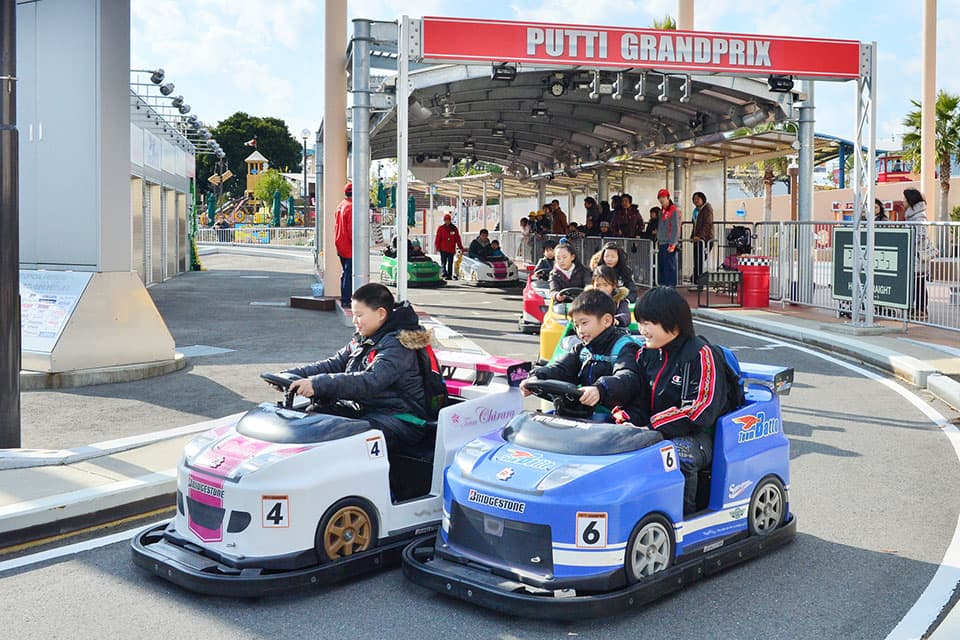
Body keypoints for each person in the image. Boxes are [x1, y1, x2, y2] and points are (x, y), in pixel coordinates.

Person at [284, 283, 432, 449]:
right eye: (353, 315)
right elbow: (335, 363)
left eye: (359, 315)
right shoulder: (365, 338)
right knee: (311, 416)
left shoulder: (399, 345)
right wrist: (292, 375)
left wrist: (317, 384)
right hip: (365, 409)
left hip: (399, 419)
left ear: (381, 314)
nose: (354, 320)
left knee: (339, 434)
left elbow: (371, 380)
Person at [629, 286, 733, 514]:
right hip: (649, 431)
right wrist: (626, 419)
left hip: (699, 436)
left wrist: (652, 426)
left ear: (673, 323)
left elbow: (700, 411)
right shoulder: (644, 354)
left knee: (678, 455)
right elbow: (634, 396)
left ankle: (683, 517)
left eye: (649, 323)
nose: (642, 330)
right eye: (640, 322)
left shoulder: (702, 355)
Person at [520, 289, 640, 412]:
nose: (580, 330)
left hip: (617, 417)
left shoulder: (624, 347)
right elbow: (560, 369)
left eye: (584, 323)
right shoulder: (582, 349)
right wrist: (536, 377)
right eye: (576, 325)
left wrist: (600, 389)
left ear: (607, 320)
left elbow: (627, 377)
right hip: (587, 413)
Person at [904, 188, 935, 320]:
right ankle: (913, 308)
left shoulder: (919, 216)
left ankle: (922, 309)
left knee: (919, 283)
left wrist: (909, 242)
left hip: (918, 256)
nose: (903, 201)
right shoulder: (912, 215)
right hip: (913, 255)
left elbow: (922, 234)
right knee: (914, 282)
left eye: (905, 199)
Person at [690, 192, 715, 290]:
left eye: (698, 199)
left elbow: (707, 224)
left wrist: (700, 236)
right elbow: (695, 226)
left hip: (705, 239)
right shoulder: (696, 211)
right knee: (696, 260)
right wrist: (693, 236)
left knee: (700, 260)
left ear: (703, 199)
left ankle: (699, 283)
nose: (696, 201)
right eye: (694, 199)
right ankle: (696, 281)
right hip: (698, 239)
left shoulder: (707, 209)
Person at [334, 182, 354, 306]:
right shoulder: (351, 207)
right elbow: (352, 230)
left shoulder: (340, 206)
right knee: (349, 273)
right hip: (349, 246)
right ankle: (346, 299)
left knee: (345, 272)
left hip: (340, 244)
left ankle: (345, 298)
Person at [657, 189, 680, 286]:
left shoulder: (673, 210)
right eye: (659, 198)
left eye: (663, 197)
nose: (661, 200)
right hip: (662, 242)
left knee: (669, 267)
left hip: (669, 243)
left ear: (668, 198)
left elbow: (675, 227)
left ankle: (670, 288)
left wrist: (673, 244)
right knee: (662, 266)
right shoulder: (662, 211)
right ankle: (663, 287)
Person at [434, 213, 464, 279]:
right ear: (444, 221)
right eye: (445, 220)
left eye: (448, 220)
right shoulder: (441, 228)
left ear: (450, 220)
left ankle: (449, 274)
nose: (447, 221)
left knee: (450, 262)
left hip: (451, 249)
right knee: (443, 262)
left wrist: (460, 246)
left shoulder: (454, 228)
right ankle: (444, 273)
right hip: (443, 248)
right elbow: (438, 238)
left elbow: (457, 238)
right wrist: (437, 247)